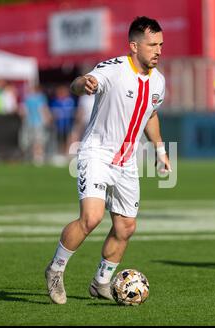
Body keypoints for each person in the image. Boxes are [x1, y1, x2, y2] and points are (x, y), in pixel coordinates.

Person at [45, 16, 171, 304]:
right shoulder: (112, 69)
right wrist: (84, 83)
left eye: (161, 44)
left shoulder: (159, 82)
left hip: (126, 161)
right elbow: (81, 83)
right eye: (152, 44)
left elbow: (151, 115)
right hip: (96, 152)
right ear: (133, 46)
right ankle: (55, 269)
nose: (158, 50)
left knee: (126, 227)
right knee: (91, 217)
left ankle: (101, 282)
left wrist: (161, 150)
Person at [20, 84, 52, 166]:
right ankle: (37, 157)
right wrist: (48, 118)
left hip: (31, 122)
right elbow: (43, 109)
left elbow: (23, 111)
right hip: (37, 122)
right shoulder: (39, 98)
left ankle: (36, 157)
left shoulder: (28, 98)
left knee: (35, 141)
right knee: (38, 141)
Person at [49, 85, 77, 154]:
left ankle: (67, 153)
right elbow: (52, 111)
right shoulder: (55, 101)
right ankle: (60, 153)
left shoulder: (70, 100)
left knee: (68, 138)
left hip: (68, 124)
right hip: (58, 125)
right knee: (59, 140)